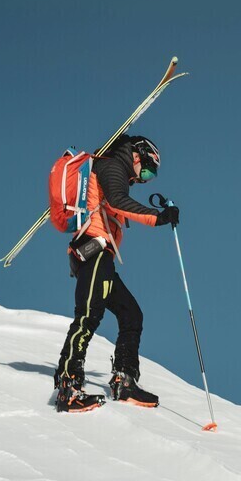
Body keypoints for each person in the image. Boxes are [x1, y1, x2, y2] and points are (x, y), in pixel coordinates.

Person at [54, 134, 179, 413]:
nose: (144, 179)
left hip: (100, 253)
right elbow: (118, 201)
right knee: (89, 314)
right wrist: (158, 217)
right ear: (137, 156)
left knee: (131, 314)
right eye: (147, 170)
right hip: (94, 250)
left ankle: (124, 380)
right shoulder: (111, 167)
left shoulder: (111, 168)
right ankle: (68, 385)